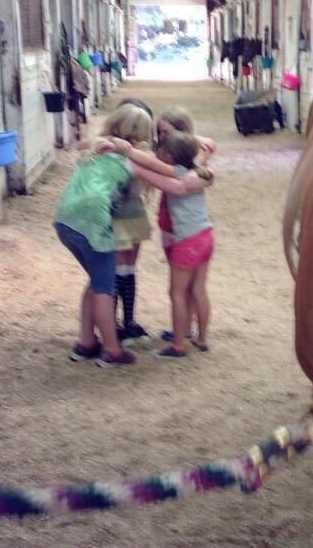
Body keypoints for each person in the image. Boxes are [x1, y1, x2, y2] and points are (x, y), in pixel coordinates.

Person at [53, 104, 211, 367]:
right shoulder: (129, 158)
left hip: (64, 220)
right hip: (94, 221)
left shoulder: (96, 150)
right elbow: (176, 183)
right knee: (105, 286)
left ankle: (85, 342)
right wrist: (203, 174)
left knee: (95, 281)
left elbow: (82, 144)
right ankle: (113, 350)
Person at [150, 130, 214, 359]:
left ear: (167, 155)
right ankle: (202, 337)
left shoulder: (176, 173)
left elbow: (150, 172)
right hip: (205, 234)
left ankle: (177, 345)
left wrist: (127, 153)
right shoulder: (196, 167)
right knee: (198, 289)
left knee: (176, 292)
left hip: (187, 241)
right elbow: (206, 149)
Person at [111, 98, 155, 344]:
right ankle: (114, 323)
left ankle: (128, 320)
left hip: (134, 215)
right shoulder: (112, 153)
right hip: (117, 218)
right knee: (118, 271)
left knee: (128, 269)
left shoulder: (137, 154)